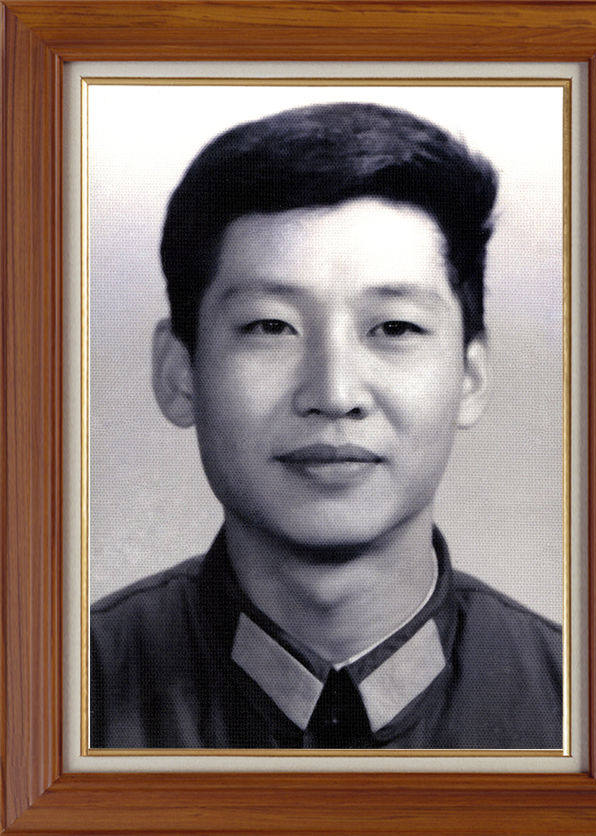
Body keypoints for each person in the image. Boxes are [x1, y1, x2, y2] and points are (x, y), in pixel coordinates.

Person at [90, 102, 562, 750]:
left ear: (470, 377)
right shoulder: (55, 694)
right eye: (270, 326)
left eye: (394, 327)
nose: (334, 395)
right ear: (179, 374)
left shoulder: (591, 707)